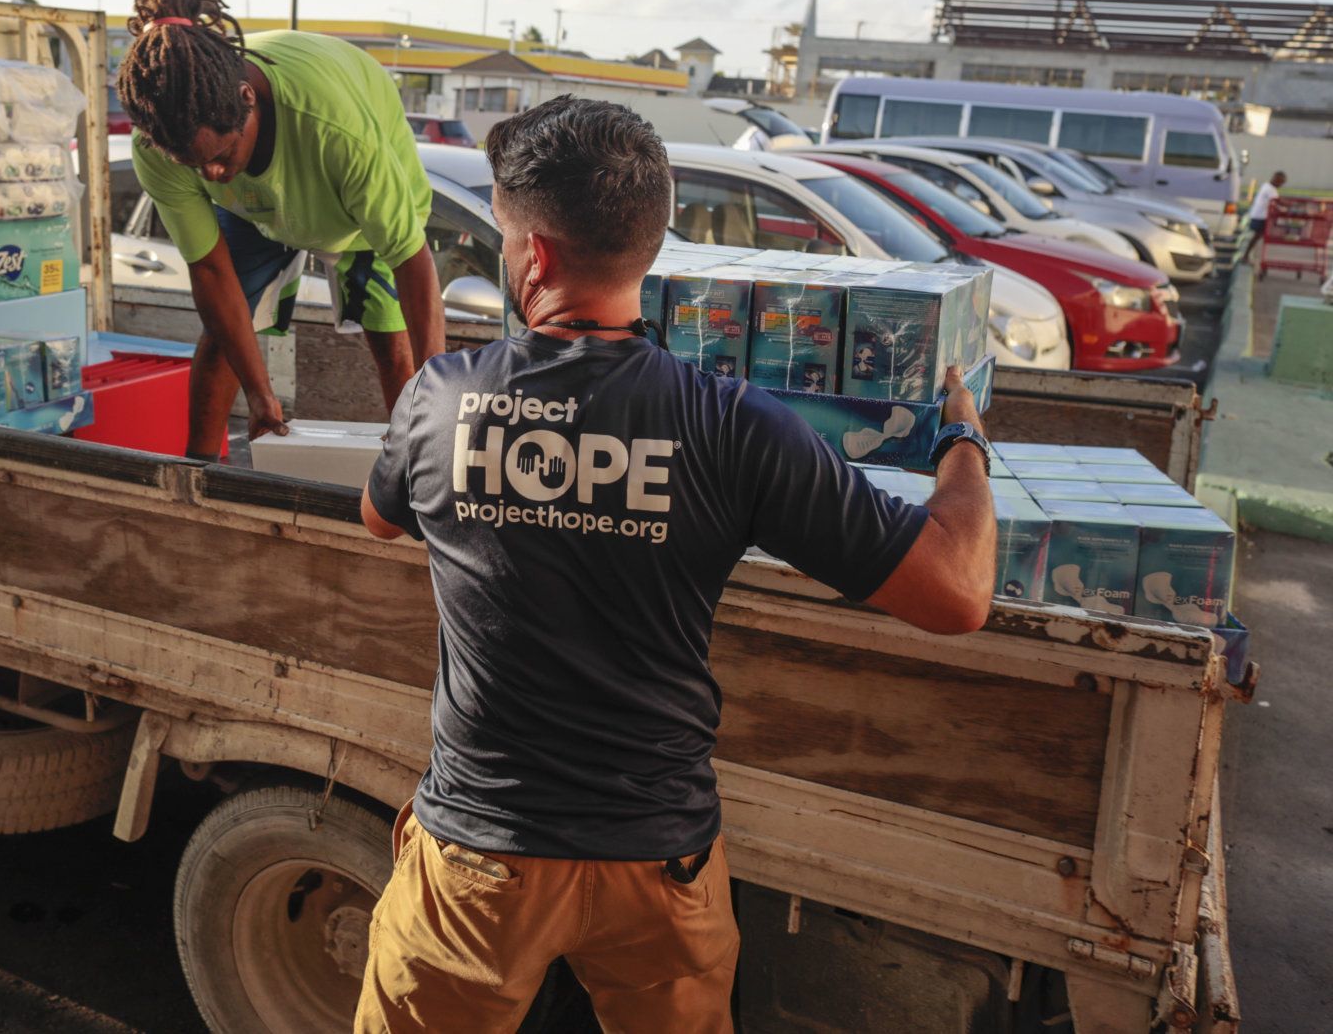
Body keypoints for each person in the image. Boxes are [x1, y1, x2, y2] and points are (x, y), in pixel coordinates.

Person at [354, 97, 996, 1032]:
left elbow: (380, 520)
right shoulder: (733, 426)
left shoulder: (439, 398)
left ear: (534, 256)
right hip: (659, 860)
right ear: (648, 248)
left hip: (479, 861)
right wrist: (963, 444)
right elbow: (957, 592)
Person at [116, 0, 447, 459]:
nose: (212, 173)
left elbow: (411, 262)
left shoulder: (338, 133)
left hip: (350, 208)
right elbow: (211, 271)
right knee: (222, 339)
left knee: (393, 347)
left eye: (222, 154)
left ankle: (417, 472)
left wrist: (435, 398)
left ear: (248, 99)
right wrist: (260, 393)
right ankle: (200, 472)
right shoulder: (159, 141)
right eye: (195, 165)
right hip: (257, 212)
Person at [1232, 170, 1286, 266]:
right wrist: (1291, 206)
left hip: (1258, 215)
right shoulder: (1270, 189)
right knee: (1257, 236)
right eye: (1280, 181)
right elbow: (1278, 201)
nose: (1280, 184)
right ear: (1275, 179)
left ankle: (1246, 255)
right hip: (1260, 216)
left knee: (1257, 236)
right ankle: (1246, 255)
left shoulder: (1267, 186)